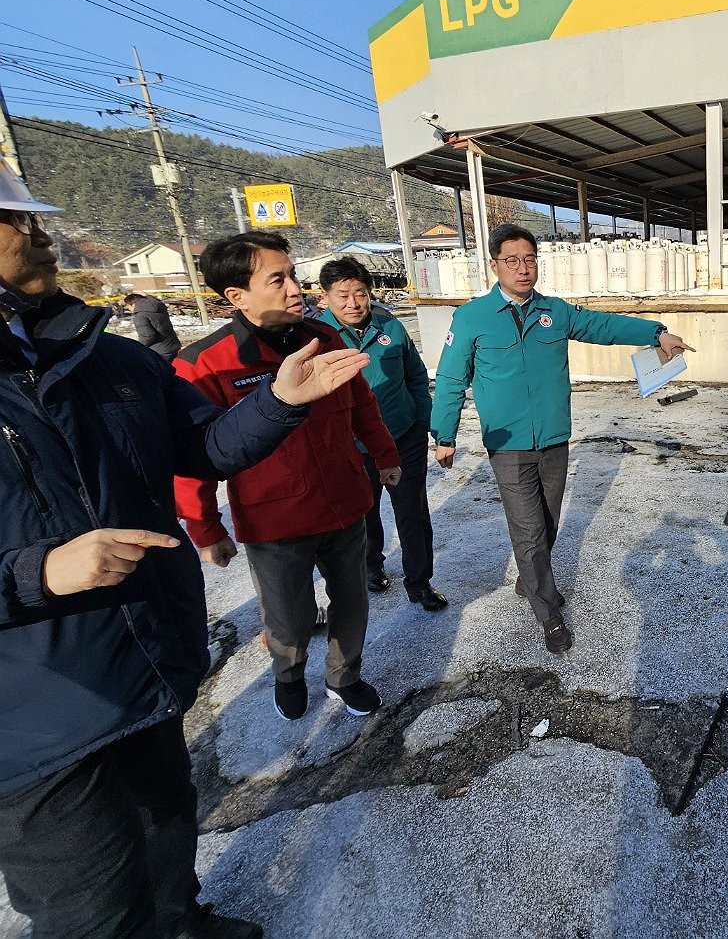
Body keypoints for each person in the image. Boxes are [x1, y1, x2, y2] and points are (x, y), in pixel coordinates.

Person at [0, 162, 371, 938]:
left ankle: (185, 921)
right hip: (36, 715)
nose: (34, 229)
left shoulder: (113, 359)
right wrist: (38, 572)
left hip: (147, 656)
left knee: (171, 826)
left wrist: (277, 403)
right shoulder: (194, 351)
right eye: (11, 217)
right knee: (95, 910)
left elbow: (204, 447)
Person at [431, 222, 692, 654]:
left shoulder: (554, 310)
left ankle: (529, 578)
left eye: (530, 259)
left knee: (547, 522)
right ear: (494, 265)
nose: (523, 268)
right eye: (512, 260)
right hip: (508, 442)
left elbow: (601, 326)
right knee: (530, 529)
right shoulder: (472, 317)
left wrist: (655, 333)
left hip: (553, 438)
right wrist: (444, 433)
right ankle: (548, 612)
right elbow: (452, 378)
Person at [174, 232, 401, 722]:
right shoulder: (205, 364)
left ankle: (345, 676)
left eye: (293, 274)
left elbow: (360, 403)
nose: (295, 288)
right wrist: (205, 527)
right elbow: (191, 456)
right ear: (237, 296)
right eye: (277, 279)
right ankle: (289, 674)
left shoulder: (325, 338)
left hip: (344, 502)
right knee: (289, 617)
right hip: (275, 519)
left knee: (351, 603)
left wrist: (384, 454)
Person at [318, 257, 446, 611]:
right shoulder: (315, 337)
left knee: (413, 512)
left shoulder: (390, 326)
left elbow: (416, 377)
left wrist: (422, 421)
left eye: (359, 293)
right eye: (342, 295)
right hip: (350, 447)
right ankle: (371, 567)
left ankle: (419, 583)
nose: (353, 303)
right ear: (325, 296)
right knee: (363, 512)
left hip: (402, 436)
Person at [123, 289, 181, 359]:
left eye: (128, 306)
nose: (128, 308)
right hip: (174, 346)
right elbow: (158, 303)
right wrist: (147, 295)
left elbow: (148, 336)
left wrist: (138, 347)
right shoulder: (159, 308)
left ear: (133, 304)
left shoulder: (140, 316)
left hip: (159, 351)